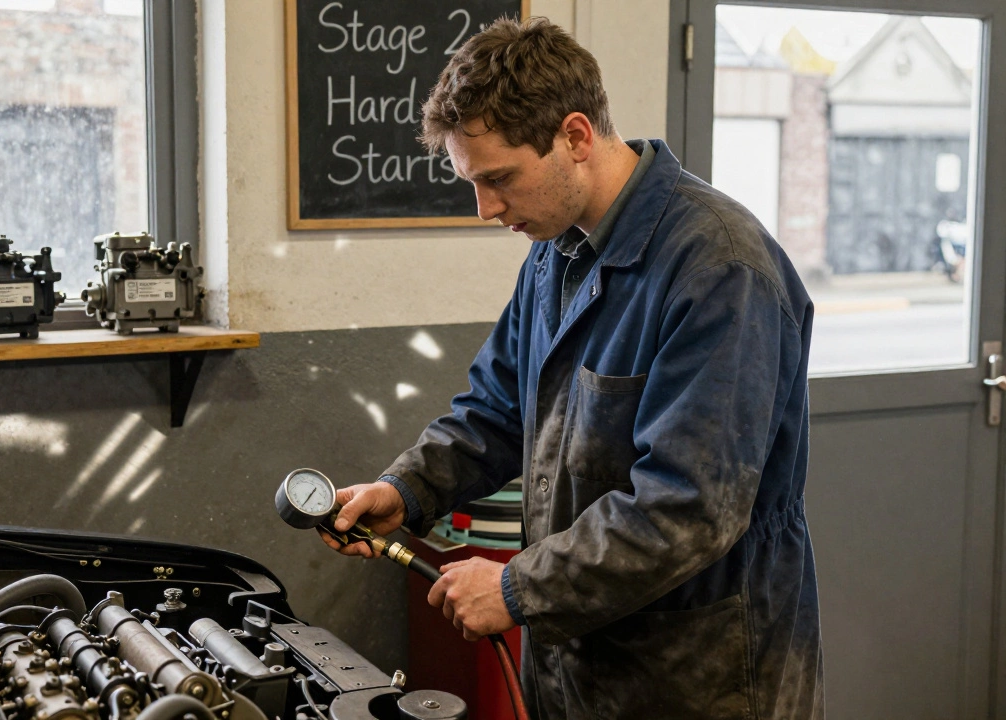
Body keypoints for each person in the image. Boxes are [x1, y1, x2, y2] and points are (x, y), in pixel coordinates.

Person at [320, 16, 824, 720]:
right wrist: (404, 490)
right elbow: (497, 409)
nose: (486, 209)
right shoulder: (555, 254)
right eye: (471, 182)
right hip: (575, 663)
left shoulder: (719, 267)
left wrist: (517, 589)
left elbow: (688, 508)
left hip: (697, 679)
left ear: (576, 137)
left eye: (499, 179)